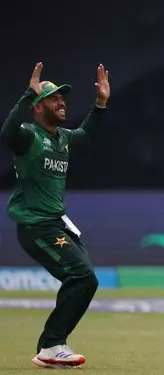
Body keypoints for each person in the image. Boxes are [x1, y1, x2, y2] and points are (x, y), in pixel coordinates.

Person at [0, 62, 110, 369]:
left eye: (63, 98)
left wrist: (101, 104)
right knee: (82, 276)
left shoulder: (62, 137)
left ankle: (52, 344)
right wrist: (26, 94)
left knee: (86, 280)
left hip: (57, 222)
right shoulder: (28, 136)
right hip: (36, 225)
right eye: (53, 98)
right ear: (37, 107)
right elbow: (7, 134)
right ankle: (50, 345)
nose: (61, 102)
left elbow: (85, 135)